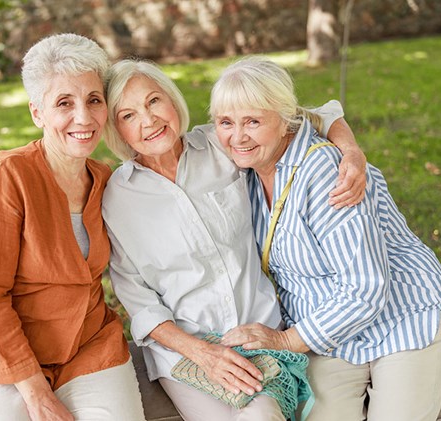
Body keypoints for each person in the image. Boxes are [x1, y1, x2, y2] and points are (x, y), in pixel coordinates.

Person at [101, 58, 367, 421]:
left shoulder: (223, 142)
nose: (148, 121)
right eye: (128, 115)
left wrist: (351, 152)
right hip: (186, 354)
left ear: (172, 99)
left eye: (153, 101)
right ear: (116, 130)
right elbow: (139, 300)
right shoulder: (117, 198)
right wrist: (202, 353)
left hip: (261, 335)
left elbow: (315, 115)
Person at [212, 56, 441, 421]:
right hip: (327, 327)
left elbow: (366, 286)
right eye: (226, 123)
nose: (238, 136)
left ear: (285, 120)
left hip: (399, 312)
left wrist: (285, 341)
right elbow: (325, 111)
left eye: (253, 121)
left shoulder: (325, 169)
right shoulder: (248, 168)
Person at [0, 33, 146, 421]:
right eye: (64, 103)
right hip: (0, 356)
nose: (83, 118)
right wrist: (35, 391)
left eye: (93, 100)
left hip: (86, 346)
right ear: (37, 113)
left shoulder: (106, 181)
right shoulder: (9, 175)